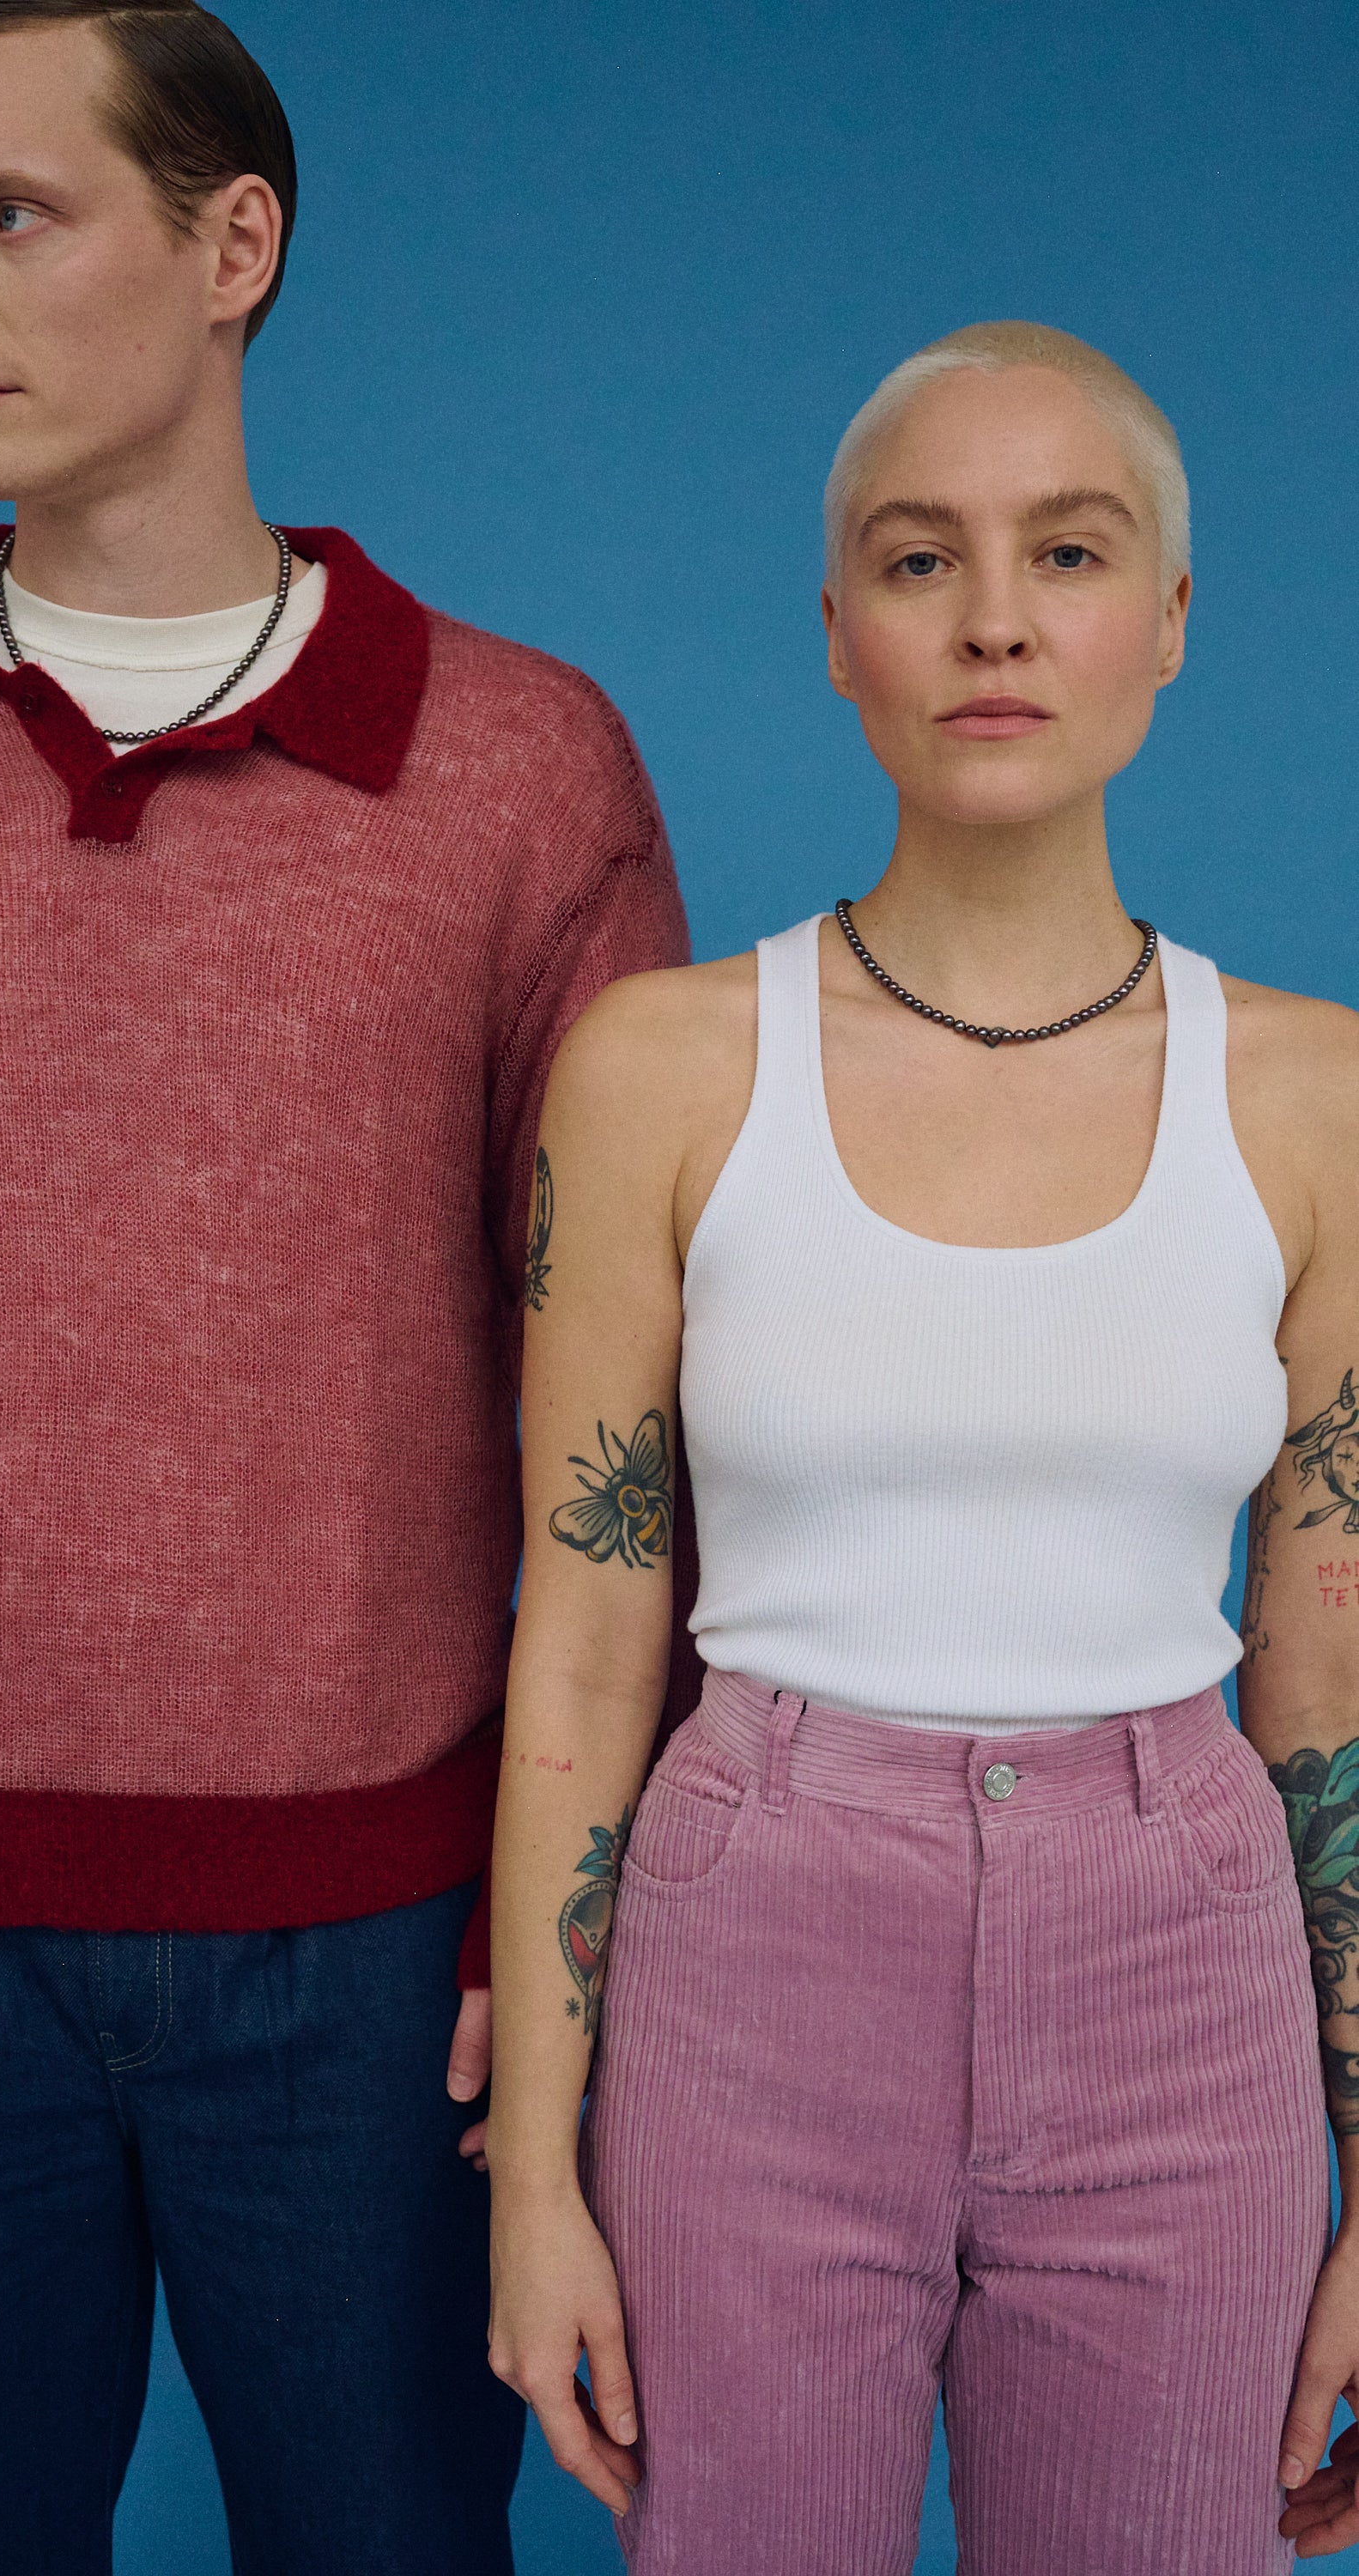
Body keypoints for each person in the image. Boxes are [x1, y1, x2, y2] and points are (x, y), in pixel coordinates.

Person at [0, 5, 694, 2570]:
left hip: (384, 1967)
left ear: (236, 246)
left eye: (14, 216)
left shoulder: (519, 769)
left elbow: (640, 1395)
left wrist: (577, 1907)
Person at [484, 319, 1359, 2572]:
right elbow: (582, 1653)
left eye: (1065, 551)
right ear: (836, 632)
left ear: (1163, 617)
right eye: (916, 556)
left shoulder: (1316, 1100)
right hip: (753, 1951)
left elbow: (1332, 1673)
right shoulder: (657, 1069)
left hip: (1182, 1967)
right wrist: (536, 2190)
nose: (990, 615)